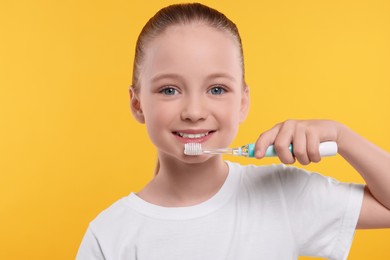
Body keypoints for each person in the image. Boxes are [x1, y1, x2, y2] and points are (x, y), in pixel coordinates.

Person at [76, 3, 390, 259]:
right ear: (137, 104)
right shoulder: (109, 235)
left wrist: (340, 136)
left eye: (216, 89)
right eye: (169, 90)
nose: (194, 112)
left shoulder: (283, 194)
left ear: (242, 102)